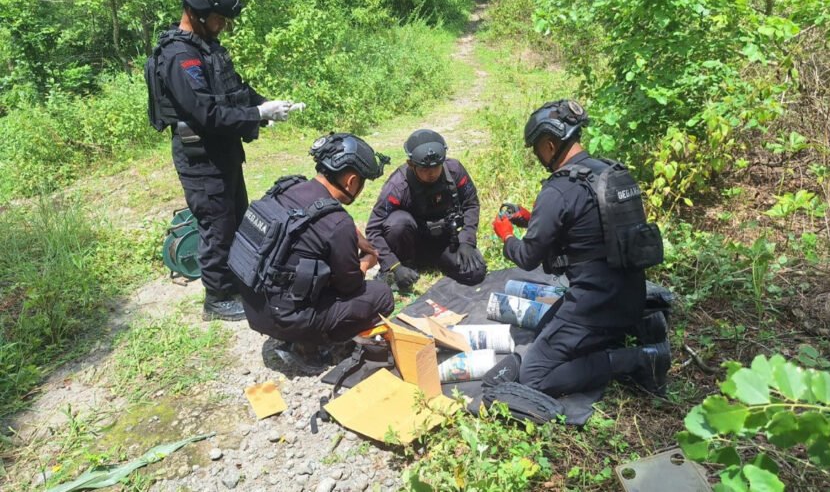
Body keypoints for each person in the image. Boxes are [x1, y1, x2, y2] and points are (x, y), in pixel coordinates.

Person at [145, 0, 298, 321]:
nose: (223, 25)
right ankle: (216, 297)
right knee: (216, 226)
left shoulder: (207, 48)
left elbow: (234, 90)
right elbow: (207, 114)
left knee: (234, 217)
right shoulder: (179, 57)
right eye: (218, 18)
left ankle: (238, 280)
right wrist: (257, 113)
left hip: (224, 152)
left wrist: (267, 106)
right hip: (201, 158)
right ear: (196, 14)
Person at [492, 99, 670, 397]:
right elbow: (589, 228)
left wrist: (506, 235)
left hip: (593, 306)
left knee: (533, 376)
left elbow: (526, 257)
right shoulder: (610, 172)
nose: (538, 155)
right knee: (546, 324)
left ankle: (640, 360)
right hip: (630, 295)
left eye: (537, 148)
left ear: (549, 144)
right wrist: (528, 218)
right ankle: (644, 326)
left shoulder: (559, 188)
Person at [234, 133, 395, 374]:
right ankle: (310, 347)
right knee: (381, 295)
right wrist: (368, 262)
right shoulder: (336, 222)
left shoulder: (287, 187)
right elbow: (350, 286)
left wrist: (350, 234)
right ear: (352, 181)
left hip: (254, 303)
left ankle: (299, 336)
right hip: (284, 319)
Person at [366, 129, 487, 291]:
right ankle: (406, 268)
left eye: (436, 168)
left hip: (445, 241)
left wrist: (466, 241)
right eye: (424, 169)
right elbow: (373, 230)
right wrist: (394, 265)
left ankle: (438, 261)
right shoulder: (397, 186)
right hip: (411, 244)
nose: (431, 174)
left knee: (476, 272)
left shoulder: (455, 171)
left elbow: (471, 205)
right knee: (398, 222)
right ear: (411, 164)